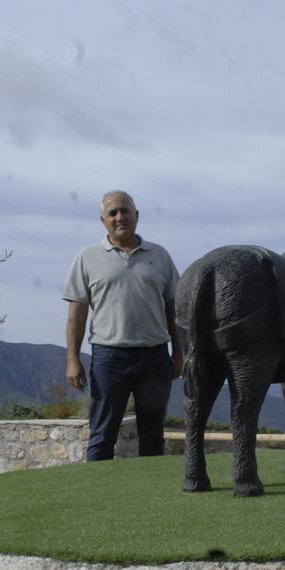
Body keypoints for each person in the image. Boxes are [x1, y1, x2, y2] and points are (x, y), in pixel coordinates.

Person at [63, 190, 183, 461]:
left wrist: (179, 352)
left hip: (155, 356)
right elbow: (76, 315)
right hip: (109, 358)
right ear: (103, 220)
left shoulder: (160, 255)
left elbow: (174, 309)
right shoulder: (87, 257)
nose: (120, 217)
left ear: (136, 216)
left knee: (153, 435)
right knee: (102, 434)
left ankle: (149, 496)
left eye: (125, 211)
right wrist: (72, 359)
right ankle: (96, 496)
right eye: (113, 213)